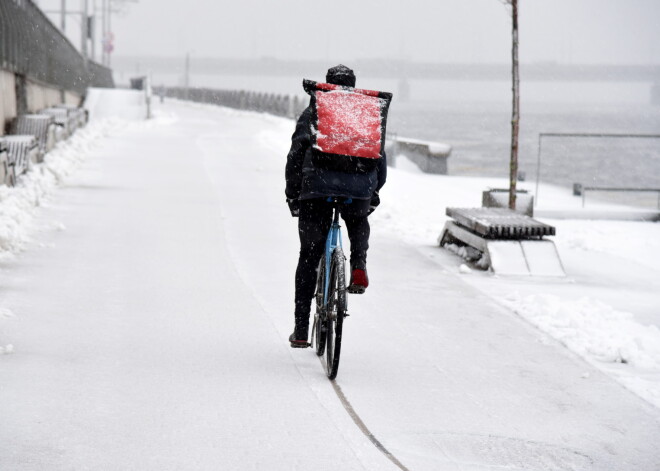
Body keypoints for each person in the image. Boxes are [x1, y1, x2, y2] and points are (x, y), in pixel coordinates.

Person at [285, 64, 387, 348]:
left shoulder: (316, 109)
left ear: (327, 84)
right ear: (353, 86)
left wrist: (293, 193)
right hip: (358, 187)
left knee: (309, 256)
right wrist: (372, 191)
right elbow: (379, 156)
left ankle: (302, 329)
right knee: (357, 218)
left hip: (316, 188)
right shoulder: (365, 113)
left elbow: (296, 154)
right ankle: (358, 264)